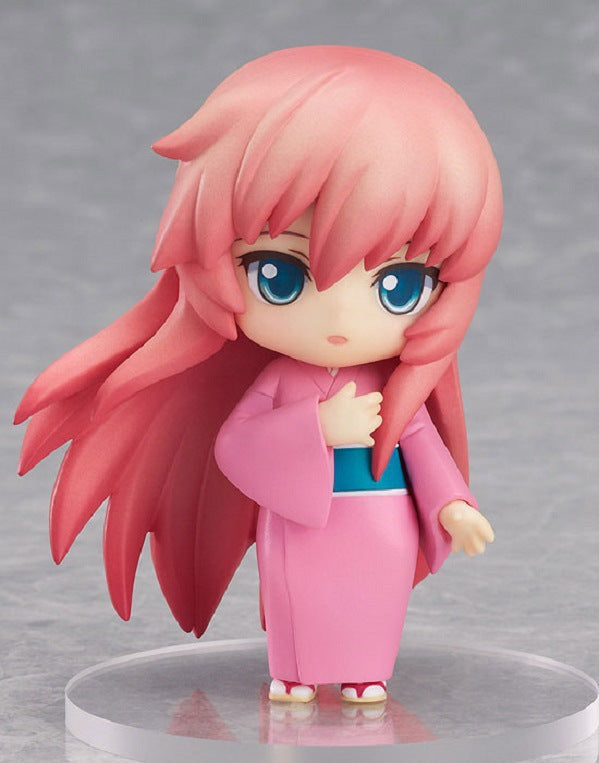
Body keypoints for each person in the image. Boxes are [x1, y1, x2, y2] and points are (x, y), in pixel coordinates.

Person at [15, 46, 501, 704]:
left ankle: (366, 670)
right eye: (281, 274)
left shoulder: (392, 389)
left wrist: (452, 506)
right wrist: (316, 428)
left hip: (381, 518)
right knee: (301, 594)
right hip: (301, 520)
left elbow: (420, 445)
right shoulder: (280, 382)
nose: (338, 315)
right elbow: (236, 444)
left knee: (374, 599)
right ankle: (295, 671)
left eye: (398, 285)